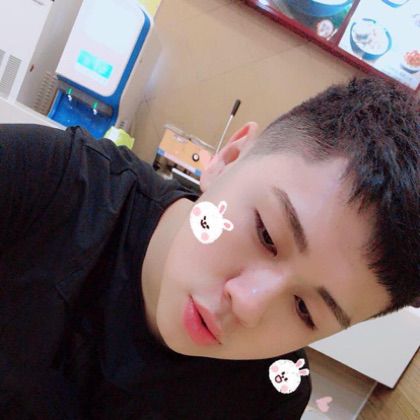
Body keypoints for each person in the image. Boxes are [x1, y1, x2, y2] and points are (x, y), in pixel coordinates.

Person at [0, 76, 418, 419]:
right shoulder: (44, 181)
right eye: (266, 235)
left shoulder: (271, 398)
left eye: (304, 310)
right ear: (230, 158)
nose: (249, 304)